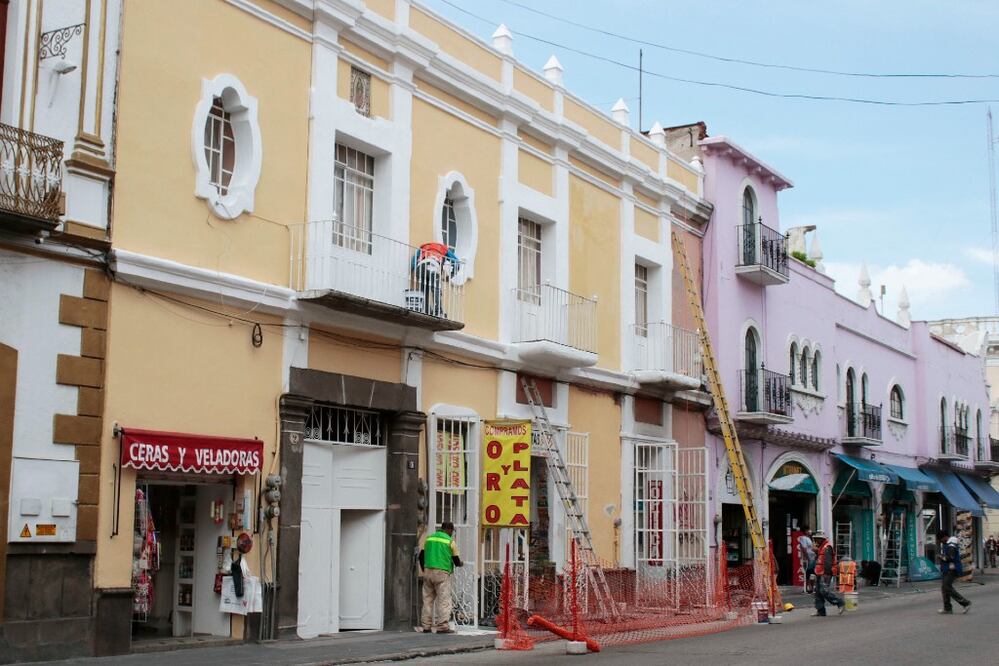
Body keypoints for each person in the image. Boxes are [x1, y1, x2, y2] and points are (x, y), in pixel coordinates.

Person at [417, 521, 464, 633]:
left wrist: (425, 570)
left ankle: (426, 626)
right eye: (452, 531)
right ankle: (442, 626)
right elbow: (456, 561)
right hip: (442, 573)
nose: (452, 533)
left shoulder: (429, 539)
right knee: (444, 600)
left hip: (428, 571)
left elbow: (421, 556)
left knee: (427, 600)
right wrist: (461, 563)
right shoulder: (450, 541)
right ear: (449, 530)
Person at [811, 530, 845, 617]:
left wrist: (826, 573)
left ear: (822, 539)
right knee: (817, 592)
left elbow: (828, 562)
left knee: (824, 591)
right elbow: (819, 560)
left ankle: (839, 602)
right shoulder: (821, 548)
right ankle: (821, 610)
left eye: (818, 539)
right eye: (816, 539)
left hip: (825, 573)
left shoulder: (827, 547)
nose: (816, 541)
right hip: (819, 572)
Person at [937, 530, 971, 614]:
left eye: (941, 539)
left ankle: (965, 603)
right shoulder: (948, 544)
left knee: (947, 587)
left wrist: (941, 556)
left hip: (952, 569)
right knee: (944, 588)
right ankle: (947, 608)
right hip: (947, 569)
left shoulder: (951, 545)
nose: (940, 541)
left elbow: (950, 557)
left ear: (945, 537)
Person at [797, 526, 816, 592]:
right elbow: (804, 549)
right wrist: (807, 558)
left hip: (813, 558)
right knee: (808, 573)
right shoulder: (803, 538)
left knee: (812, 573)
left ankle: (812, 587)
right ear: (805, 531)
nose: (810, 531)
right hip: (808, 559)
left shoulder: (810, 538)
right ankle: (806, 587)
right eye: (808, 530)